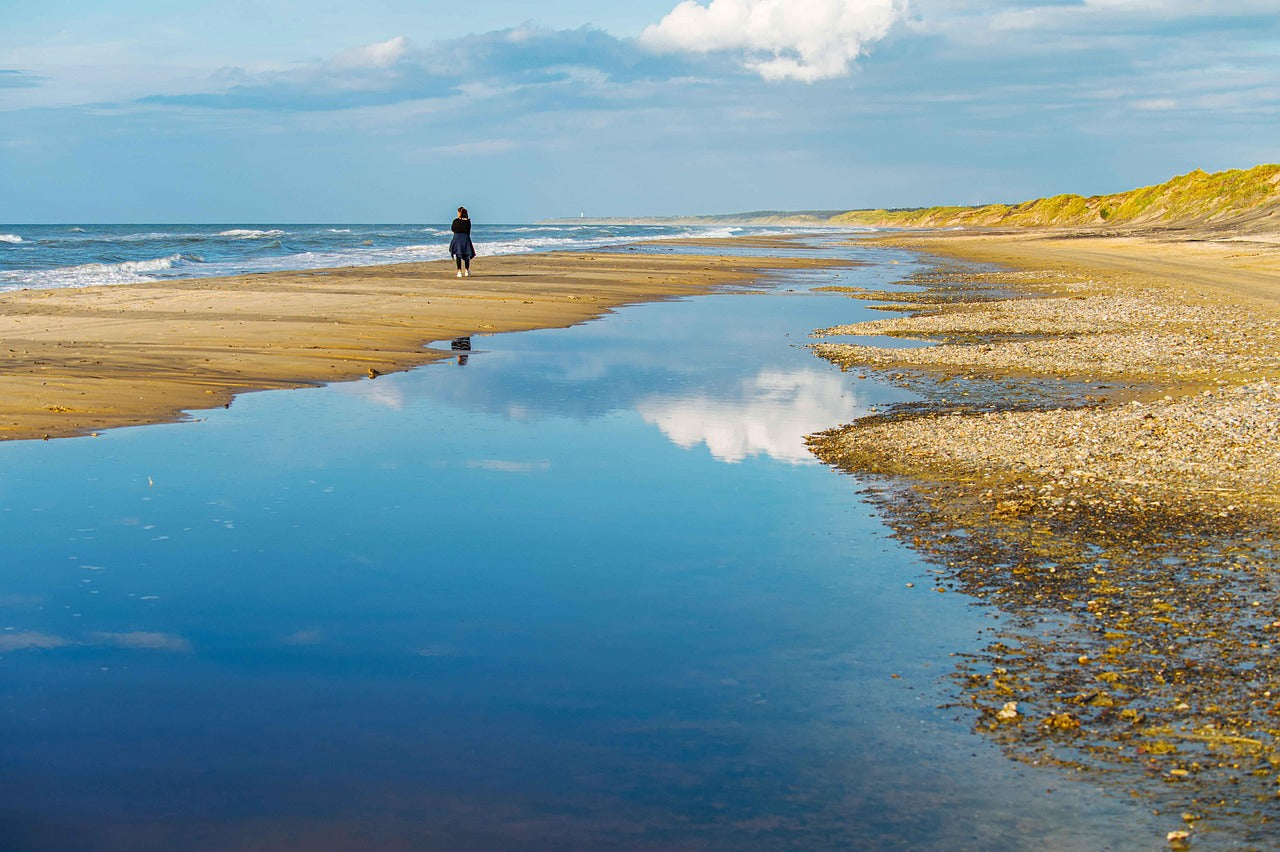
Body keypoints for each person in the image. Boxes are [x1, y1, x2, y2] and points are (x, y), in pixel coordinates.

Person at [450, 207, 476, 277]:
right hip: (465, 237)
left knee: (458, 255)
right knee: (466, 254)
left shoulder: (455, 221)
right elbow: (468, 231)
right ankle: (467, 270)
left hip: (457, 238)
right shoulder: (467, 221)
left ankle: (459, 271)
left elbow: (452, 229)